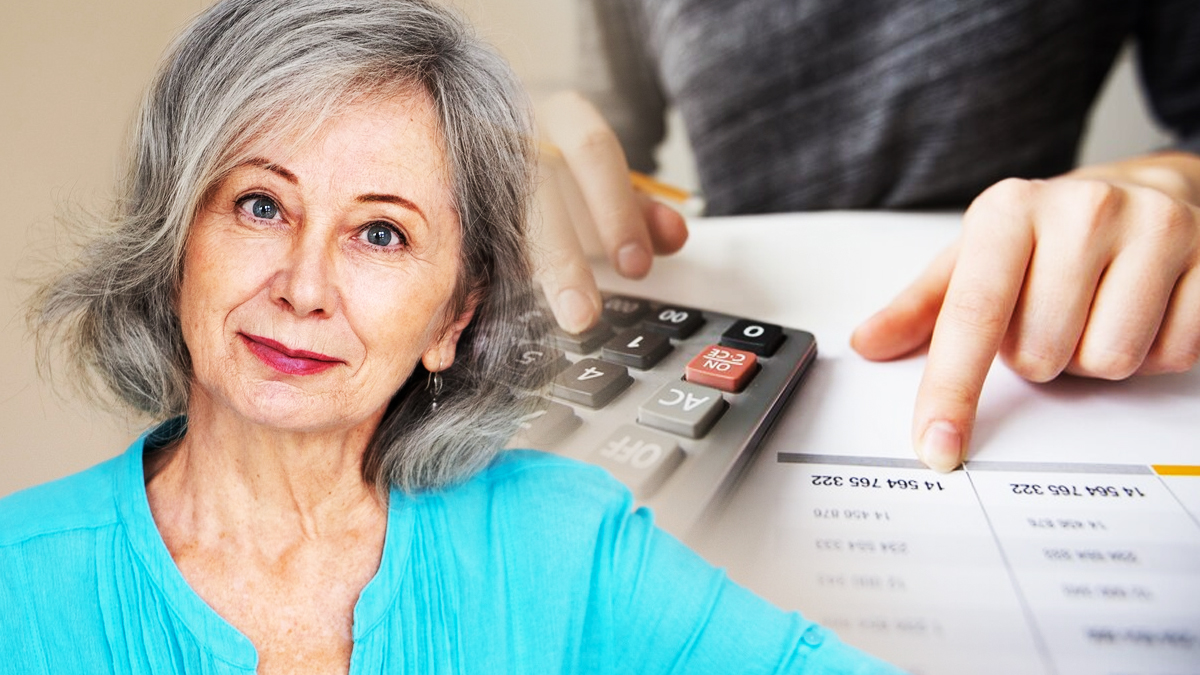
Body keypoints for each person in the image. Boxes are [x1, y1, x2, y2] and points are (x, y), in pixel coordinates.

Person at [0, 0, 904, 672]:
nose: (304, 287)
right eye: (261, 204)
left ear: (454, 318)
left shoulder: (569, 542)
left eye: (382, 232)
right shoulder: (16, 583)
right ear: (177, 244)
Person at [532, 0, 1200, 473]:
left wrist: (1170, 184)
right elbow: (603, 127)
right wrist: (534, 154)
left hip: (1034, 317)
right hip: (725, 310)